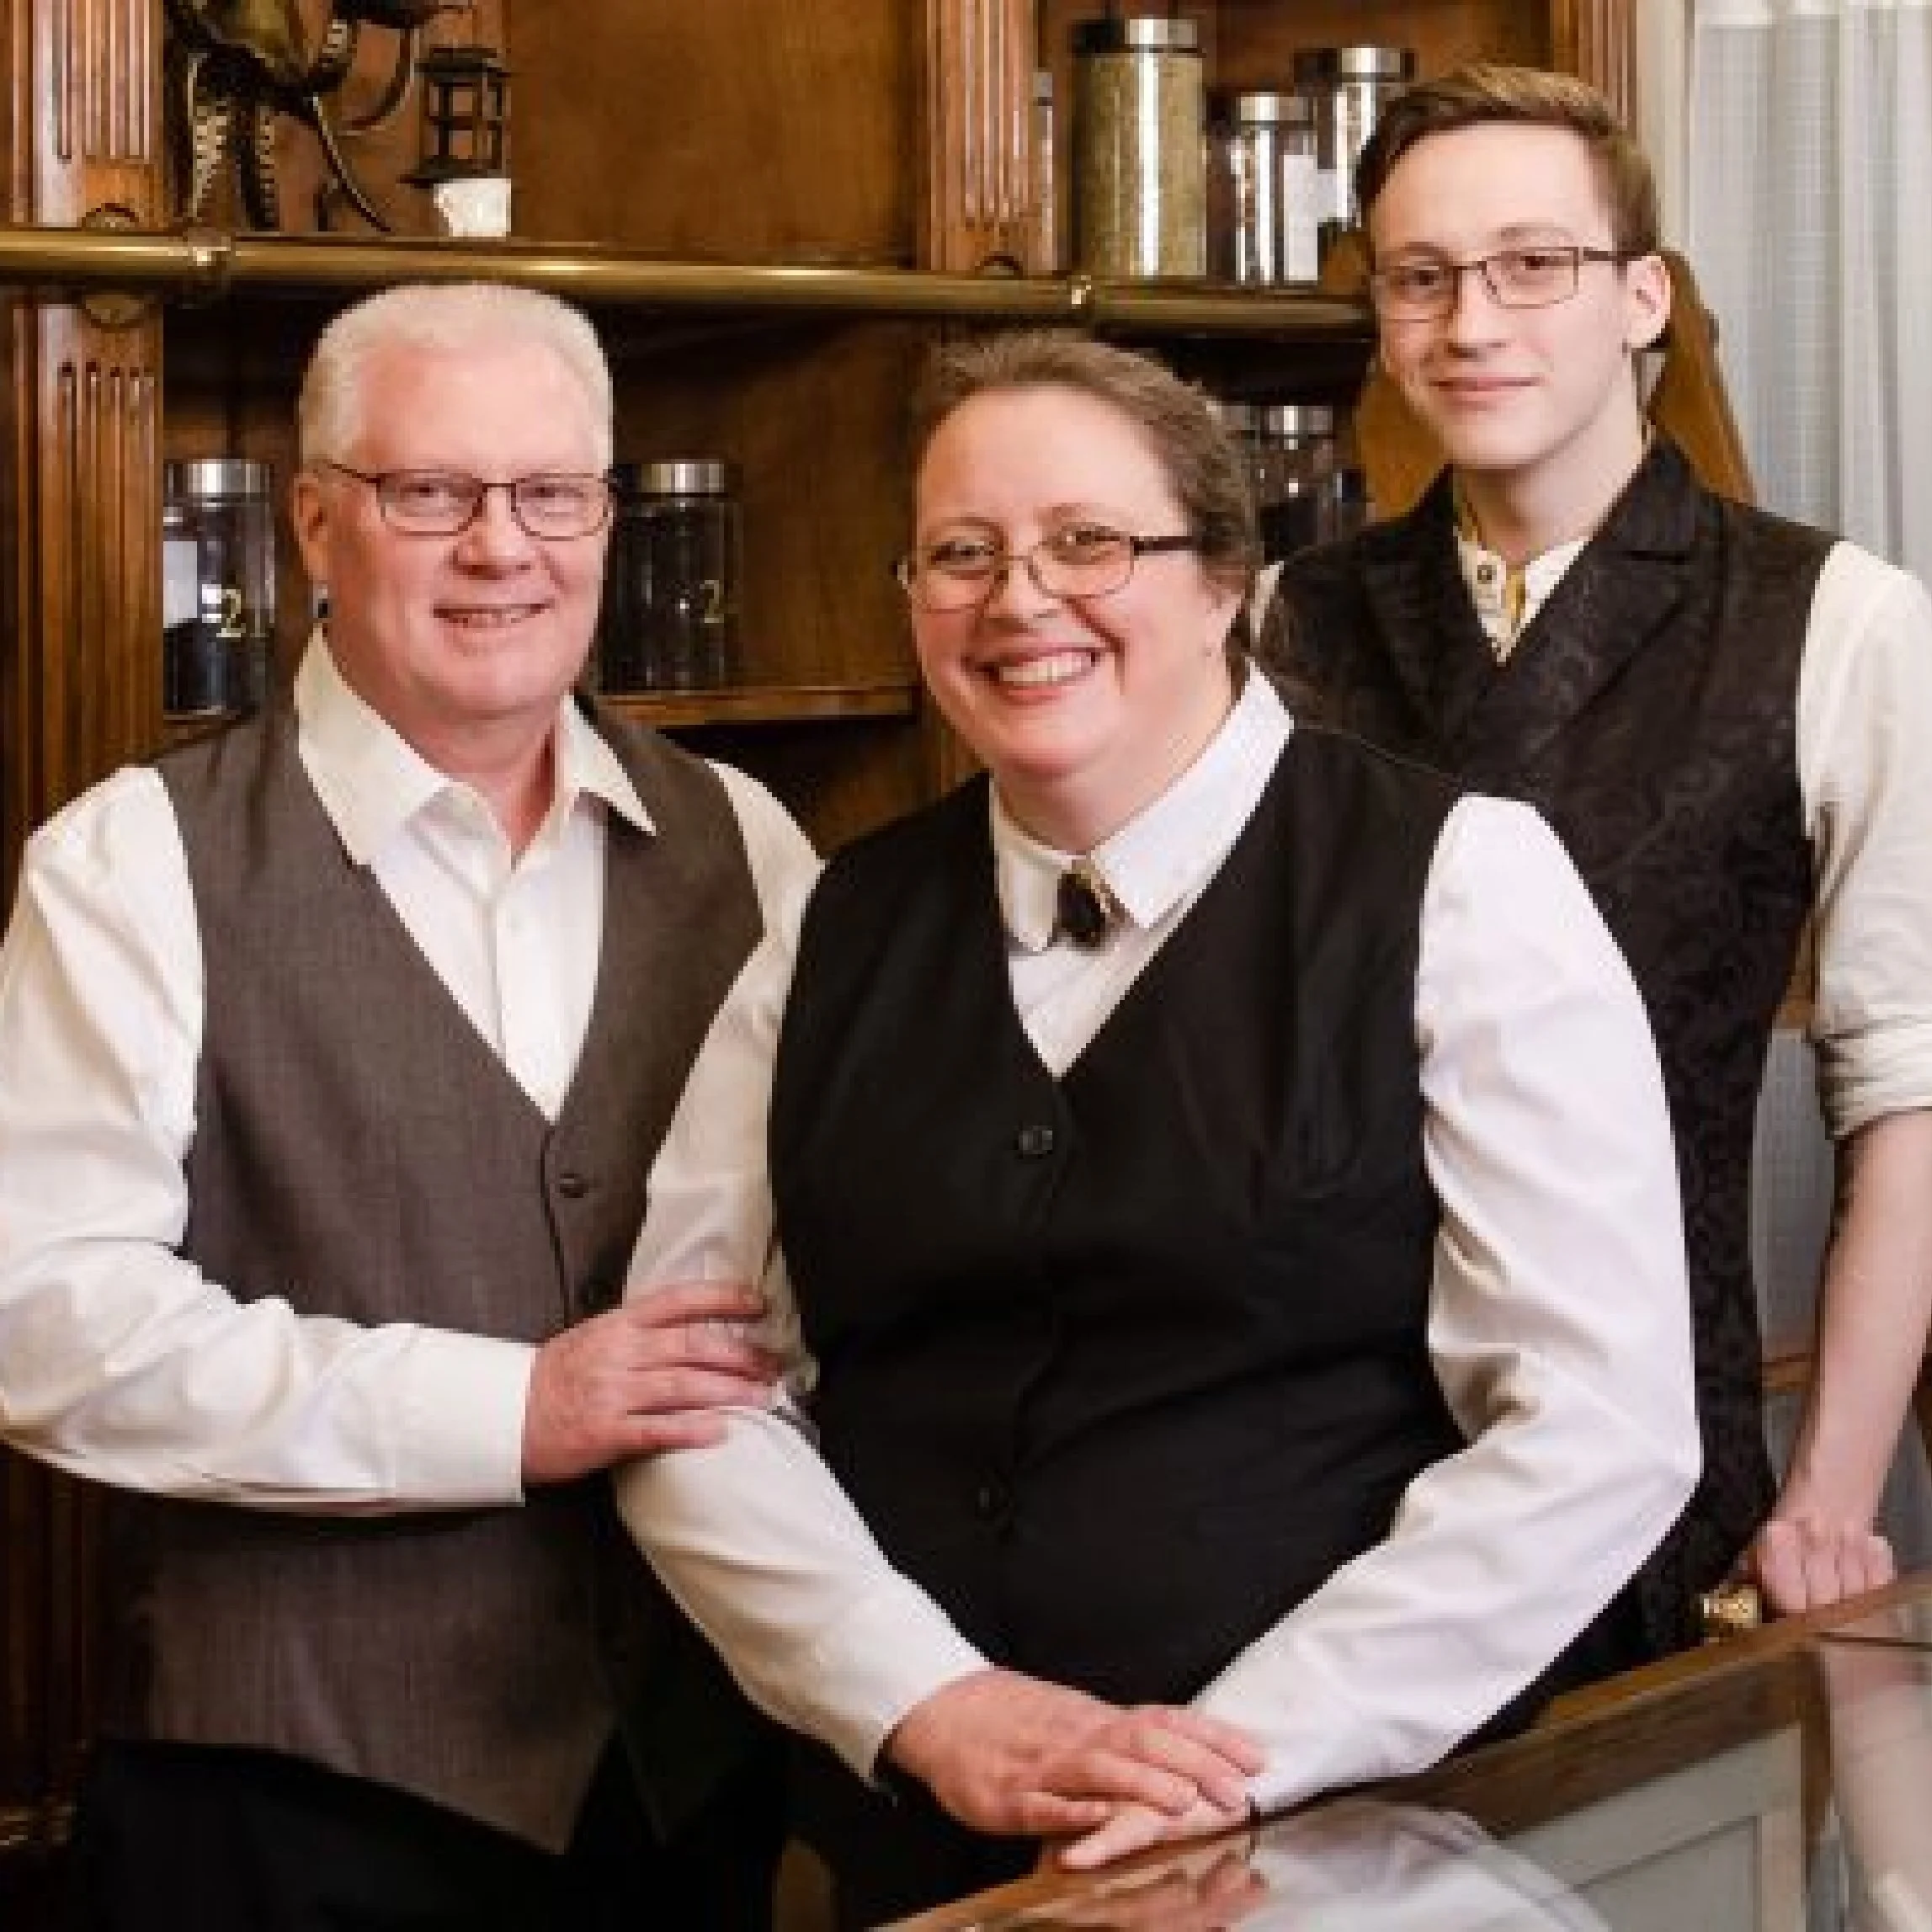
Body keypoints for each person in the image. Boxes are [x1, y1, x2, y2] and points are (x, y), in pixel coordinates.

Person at [609, 330, 1702, 1927]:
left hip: (1344, 1857)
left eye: (1089, 543)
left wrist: (1230, 1756)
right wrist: (922, 1702)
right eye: (959, 554)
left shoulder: (1461, 882)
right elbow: (691, 1386)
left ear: (1225, 582)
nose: (1019, 598)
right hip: (930, 1863)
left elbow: (1597, 1426)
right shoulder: (834, 922)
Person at [0, 281, 821, 1930]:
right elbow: (44, 1320)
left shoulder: (749, 838)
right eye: (429, 492)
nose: (499, 548)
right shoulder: (132, 859)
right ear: (315, 518)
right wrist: (508, 1408)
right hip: (289, 1809)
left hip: (684, 1788)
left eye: (550, 494)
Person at [1263, 64, 1932, 1650]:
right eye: (1418, 278)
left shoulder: (1836, 621)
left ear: (1640, 296)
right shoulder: (1284, 619)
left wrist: (1825, 1501)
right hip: (1312, 1466)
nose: (1471, 322)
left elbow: (1903, 1097)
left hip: (1658, 1461)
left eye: (1530, 267)